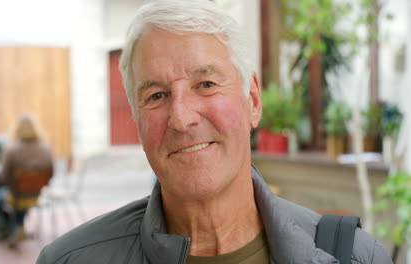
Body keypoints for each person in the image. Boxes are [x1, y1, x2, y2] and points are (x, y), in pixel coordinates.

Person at [37, 1, 392, 263]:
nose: (181, 117)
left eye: (205, 84)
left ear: (252, 100)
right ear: (136, 120)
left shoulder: (356, 256)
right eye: (156, 95)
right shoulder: (71, 259)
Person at [0, 113, 54, 246]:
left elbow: (4, 177)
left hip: (16, 196)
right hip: (36, 195)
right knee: (20, 196)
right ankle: (19, 227)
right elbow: (50, 174)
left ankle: (12, 229)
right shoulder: (46, 148)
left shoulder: (11, 149)